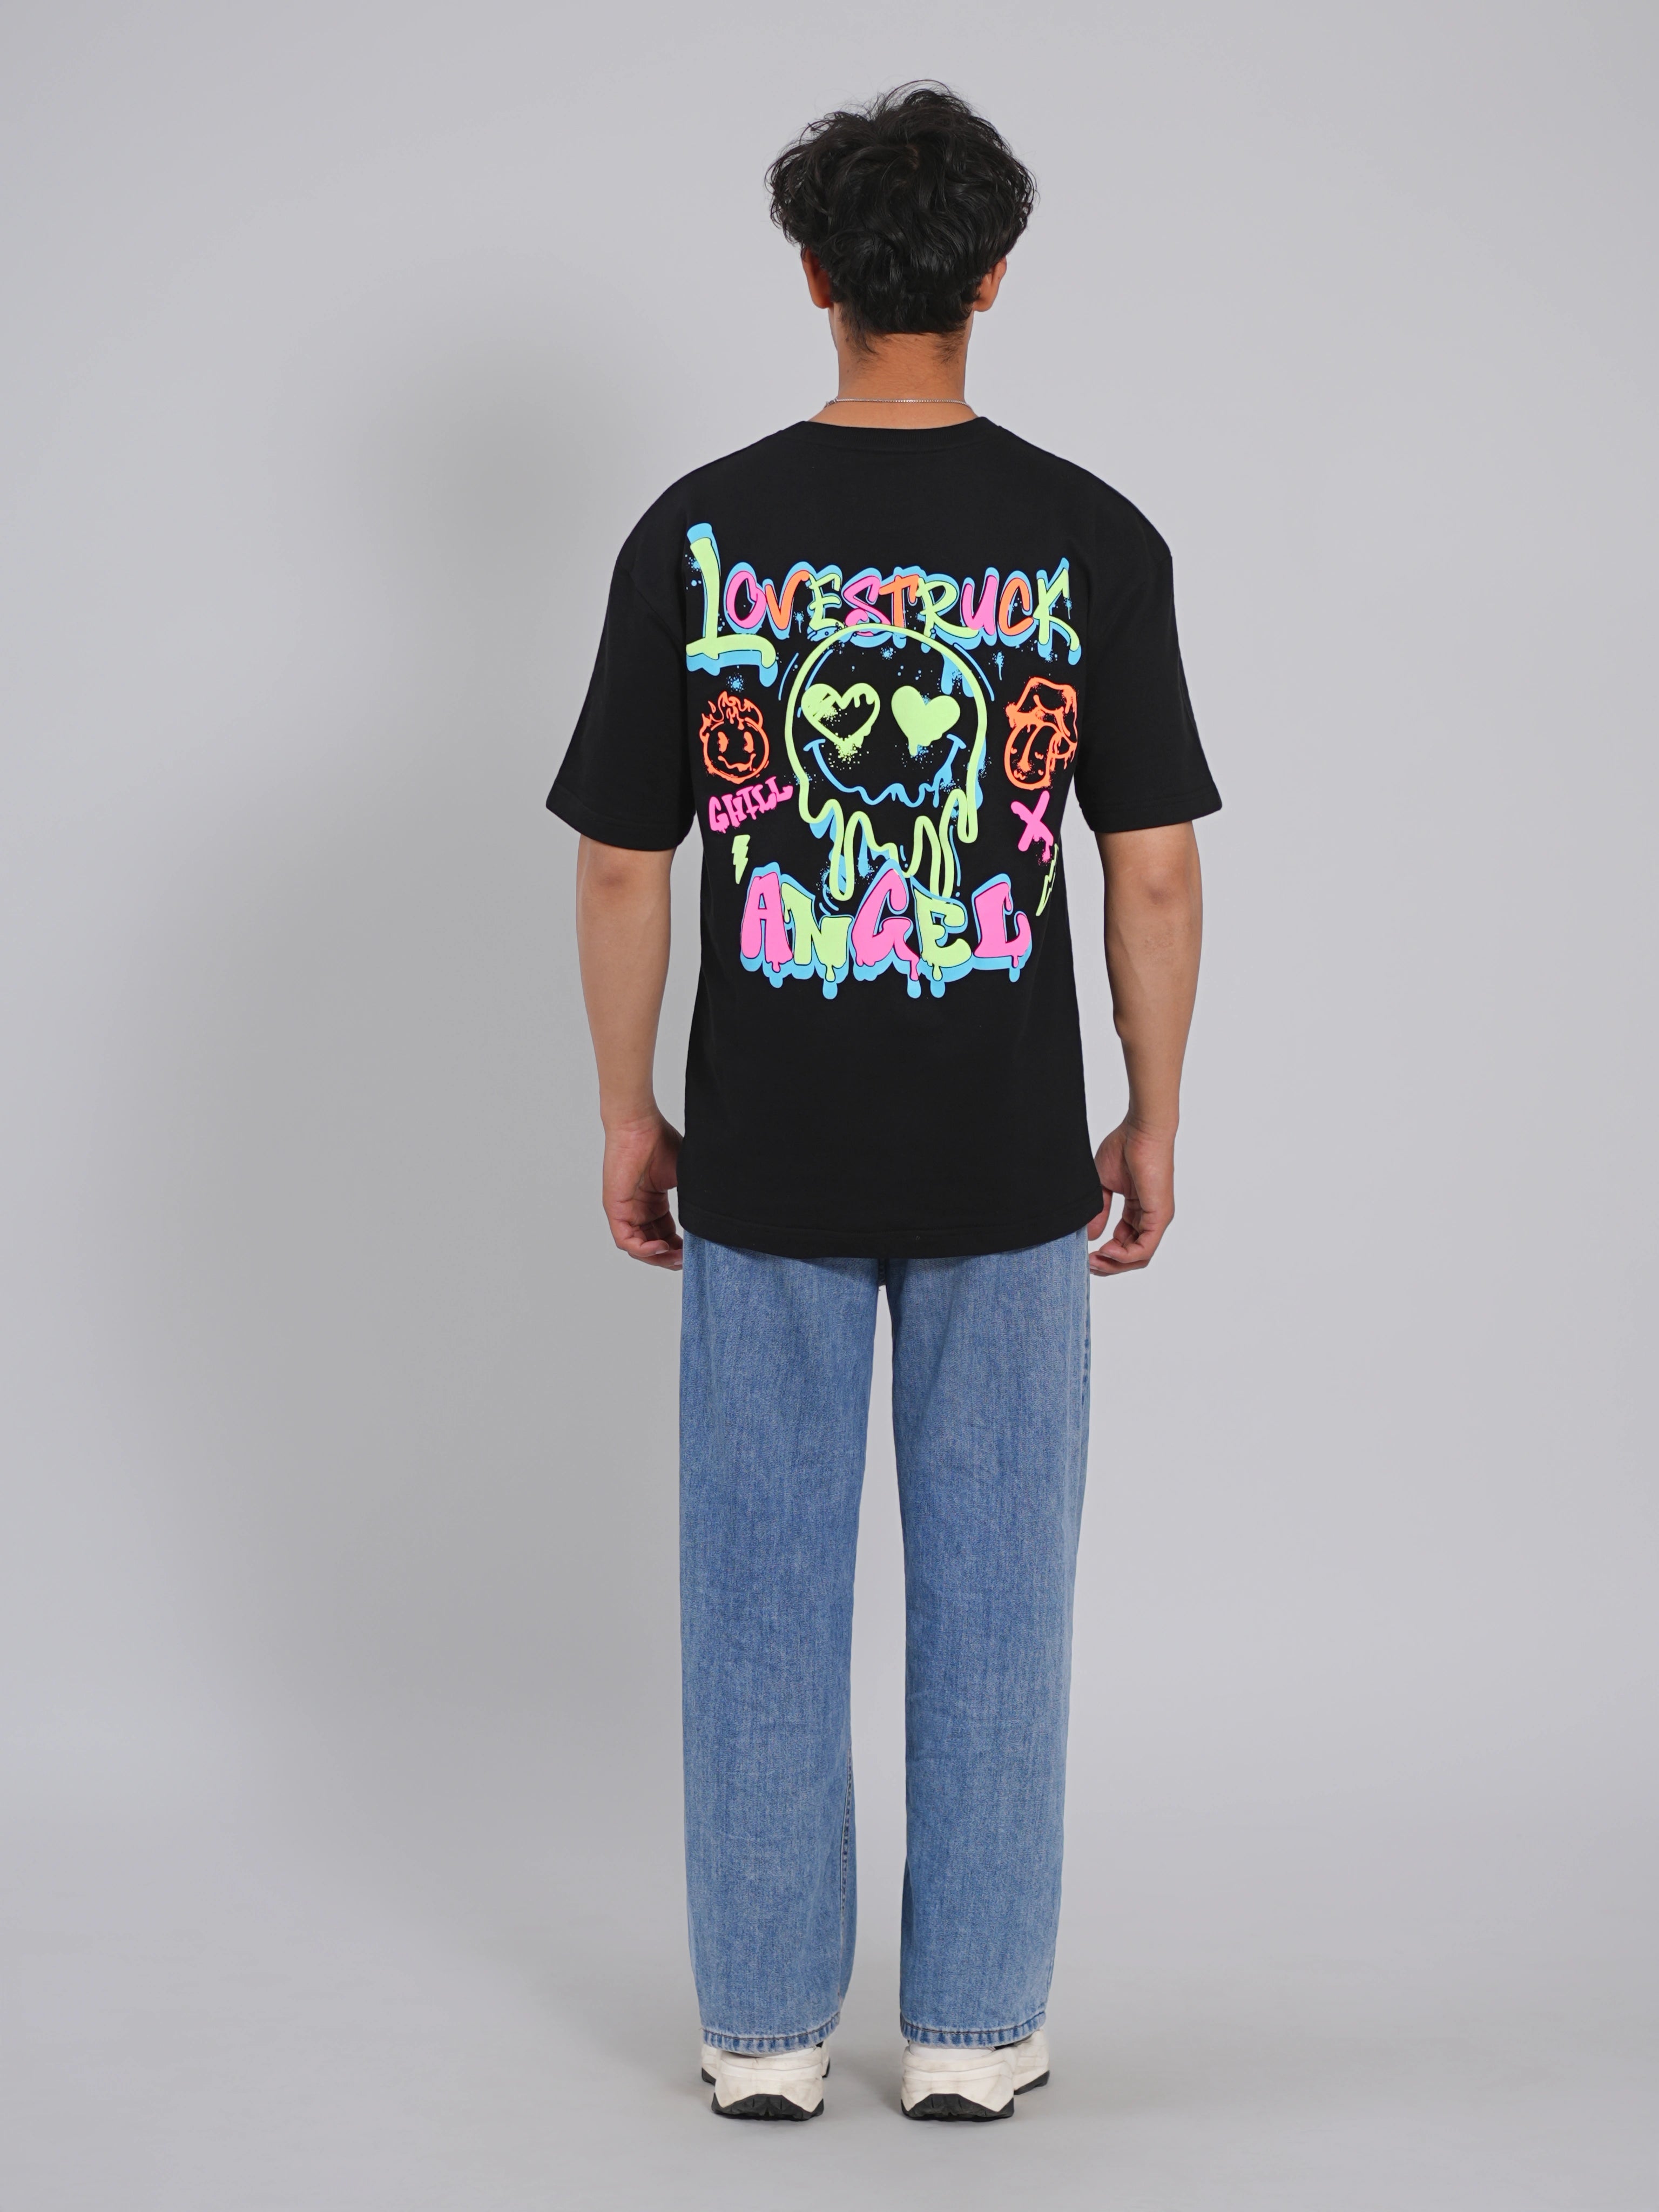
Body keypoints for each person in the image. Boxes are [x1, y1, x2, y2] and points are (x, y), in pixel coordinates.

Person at [547, 83, 1219, 2123]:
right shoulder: (1093, 537)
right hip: (1009, 1158)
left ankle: (762, 2033)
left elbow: (623, 864)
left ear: (816, 274)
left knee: (756, 1594)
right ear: (993, 278)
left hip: (766, 1154)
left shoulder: (701, 532)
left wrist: (630, 1111)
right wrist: (1153, 1112)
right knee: (1002, 1594)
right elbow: (1153, 867)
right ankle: (976, 2031)